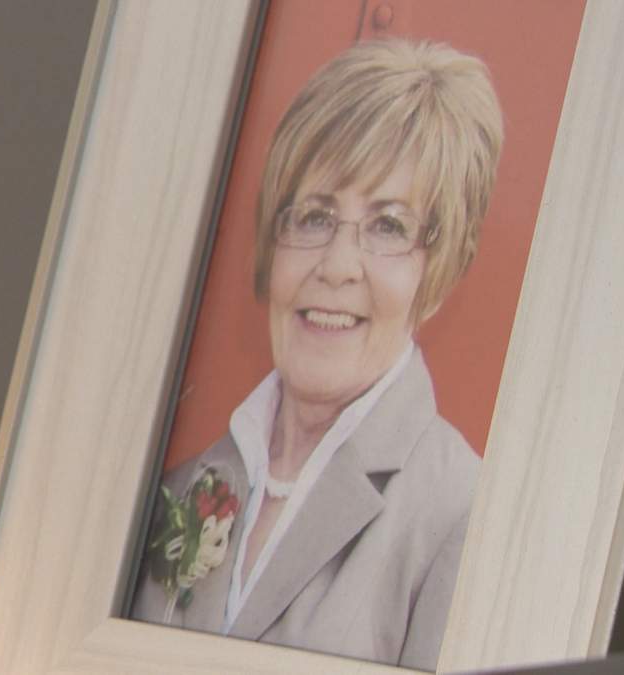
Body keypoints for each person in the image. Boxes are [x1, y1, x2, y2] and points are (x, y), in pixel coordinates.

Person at [132, 38, 503, 671]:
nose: (335, 266)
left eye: (389, 226)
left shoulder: (462, 517)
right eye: (312, 217)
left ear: (436, 273)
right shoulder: (175, 487)